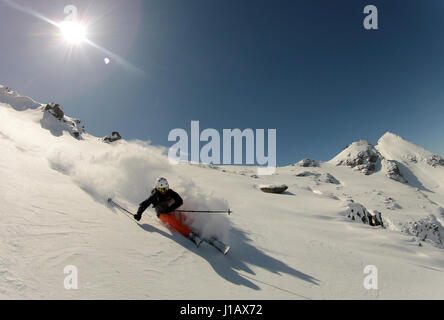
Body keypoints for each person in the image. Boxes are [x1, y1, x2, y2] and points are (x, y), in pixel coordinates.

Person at [134, 177, 203, 245]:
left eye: (166, 188)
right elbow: (144, 204)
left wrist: (170, 209)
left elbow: (180, 201)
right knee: (172, 220)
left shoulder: (170, 192)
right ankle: (190, 235)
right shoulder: (155, 195)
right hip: (161, 213)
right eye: (161, 189)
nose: (164, 191)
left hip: (169, 210)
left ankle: (196, 231)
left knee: (183, 218)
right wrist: (139, 213)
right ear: (157, 188)